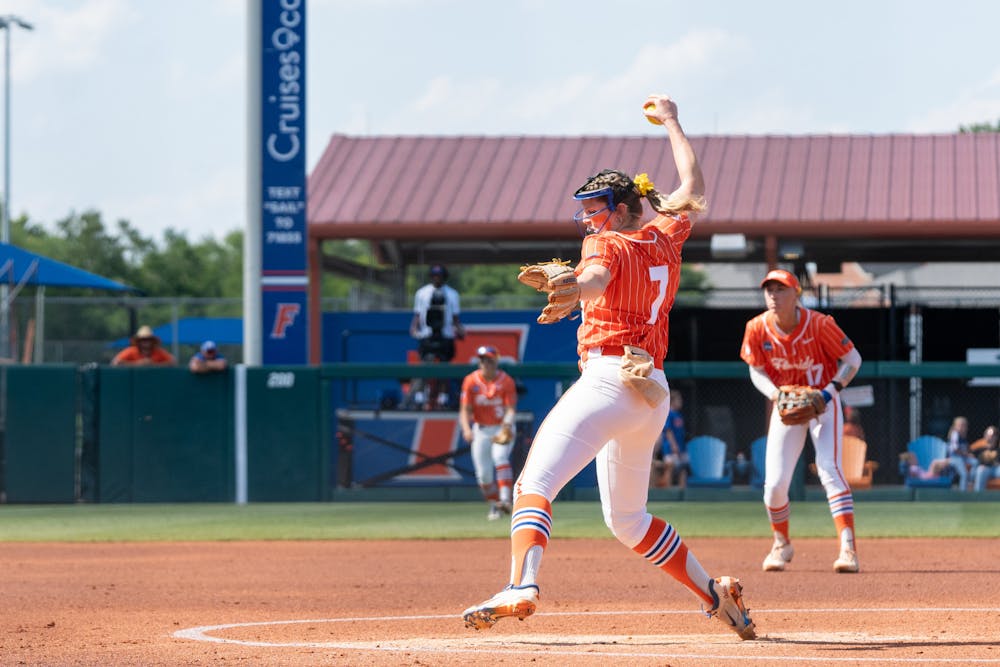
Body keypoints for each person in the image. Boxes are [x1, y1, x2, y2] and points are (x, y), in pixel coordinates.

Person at [462, 94, 756, 641]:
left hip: (608, 378)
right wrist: (671, 121)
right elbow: (692, 186)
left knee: (533, 483)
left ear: (620, 209)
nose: (587, 217)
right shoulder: (664, 236)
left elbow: (596, 277)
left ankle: (522, 585)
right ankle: (715, 596)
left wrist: (573, 286)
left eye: (595, 208)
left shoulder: (607, 243)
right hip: (652, 391)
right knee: (627, 520)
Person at [740, 268, 863, 574]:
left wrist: (829, 392)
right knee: (775, 485)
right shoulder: (756, 328)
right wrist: (775, 394)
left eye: (780, 289)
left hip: (823, 402)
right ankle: (782, 544)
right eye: (769, 289)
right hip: (786, 405)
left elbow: (853, 360)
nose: (773, 295)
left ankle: (848, 548)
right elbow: (756, 369)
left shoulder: (820, 324)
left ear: (796, 294)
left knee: (829, 469)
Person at [459, 345, 519, 520]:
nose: (486, 364)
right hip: (481, 430)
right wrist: (466, 428)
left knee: (500, 458)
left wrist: (507, 425)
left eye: (490, 360)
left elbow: (510, 409)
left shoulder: (506, 380)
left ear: (496, 361)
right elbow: (465, 409)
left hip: (502, 427)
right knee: (483, 476)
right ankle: (495, 505)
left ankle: (506, 500)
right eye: (483, 360)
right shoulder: (471, 381)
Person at [406, 265, 465, 409]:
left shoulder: (452, 294)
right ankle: (420, 398)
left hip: (446, 335)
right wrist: (414, 328)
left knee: (444, 366)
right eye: (434, 276)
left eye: (439, 276)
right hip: (427, 335)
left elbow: (455, 317)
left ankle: (443, 398)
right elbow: (418, 314)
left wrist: (460, 329)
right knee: (425, 365)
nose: (436, 278)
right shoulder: (422, 293)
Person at [652, 390, 687, 488]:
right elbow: (668, 431)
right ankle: (668, 490)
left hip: (681, 447)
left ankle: (682, 490)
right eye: (678, 400)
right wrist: (673, 445)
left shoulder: (679, 415)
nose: (681, 402)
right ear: (672, 401)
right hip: (670, 448)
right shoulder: (669, 414)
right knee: (670, 468)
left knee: (682, 468)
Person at [110, 325, 176, 366]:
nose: (146, 342)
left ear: (152, 341)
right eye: (143, 339)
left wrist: (154, 365)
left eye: (148, 339)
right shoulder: (131, 351)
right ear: (138, 341)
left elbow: (173, 361)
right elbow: (115, 362)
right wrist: (137, 364)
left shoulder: (158, 351)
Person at [945, 416, 975, 491]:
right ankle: (963, 494)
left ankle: (970, 481)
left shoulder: (964, 436)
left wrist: (969, 453)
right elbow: (955, 449)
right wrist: (967, 454)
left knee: (975, 462)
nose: (963, 427)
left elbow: (966, 448)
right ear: (955, 426)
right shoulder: (955, 434)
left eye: (964, 425)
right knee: (964, 474)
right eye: (960, 425)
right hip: (954, 458)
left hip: (963, 458)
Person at [971, 425, 999, 491]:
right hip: (984, 469)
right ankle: (978, 497)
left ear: (997, 437)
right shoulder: (979, 449)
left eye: (993, 435)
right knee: (980, 470)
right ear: (985, 436)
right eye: (988, 435)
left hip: (997, 469)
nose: (991, 438)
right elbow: (967, 455)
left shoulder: (998, 449)